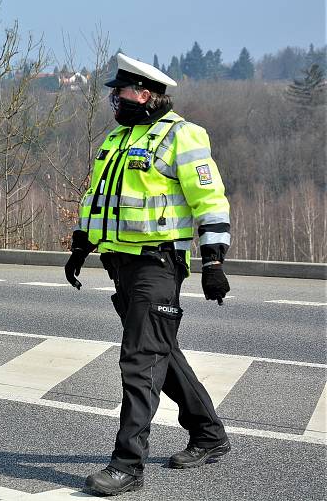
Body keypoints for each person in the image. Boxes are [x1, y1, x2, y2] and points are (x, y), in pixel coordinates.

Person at [65, 53, 232, 496]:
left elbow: (210, 201)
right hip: (120, 263)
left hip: (158, 264)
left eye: (118, 92)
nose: (114, 100)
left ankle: (127, 464)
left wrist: (214, 261)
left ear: (143, 92)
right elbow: (96, 196)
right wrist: (81, 244)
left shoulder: (183, 136)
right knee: (159, 350)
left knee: (139, 360)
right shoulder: (119, 138)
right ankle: (209, 434)